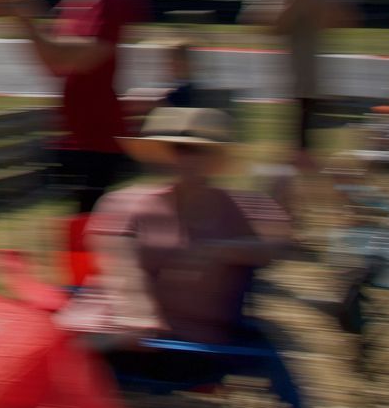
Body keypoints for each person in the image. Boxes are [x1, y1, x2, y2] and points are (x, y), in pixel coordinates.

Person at [57, 107, 293, 370]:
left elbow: (278, 245)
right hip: (113, 329)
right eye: (180, 149)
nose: (189, 160)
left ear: (218, 158)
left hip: (192, 346)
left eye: (201, 150)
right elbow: (120, 266)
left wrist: (222, 249)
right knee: (62, 354)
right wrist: (137, 312)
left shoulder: (246, 208)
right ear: (167, 154)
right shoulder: (126, 203)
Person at [0, 0, 150, 213]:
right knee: (74, 236)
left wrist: (27, 21)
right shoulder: (72, 4)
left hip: (100, 142)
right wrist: (26, 21)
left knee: (89, 238)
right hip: (71, 138)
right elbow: (53, 65)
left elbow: (82, 57)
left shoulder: (116, 1)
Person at [241, 0, 352, 169]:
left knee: (311, 116)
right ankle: (301, 158)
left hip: (314, 69)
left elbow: (339, 20)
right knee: (301, 115)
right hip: (297, 69)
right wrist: (298, 0)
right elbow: (275, 28)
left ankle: (305, 158)